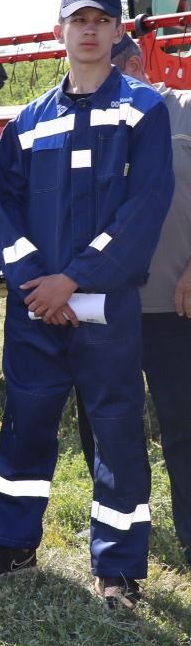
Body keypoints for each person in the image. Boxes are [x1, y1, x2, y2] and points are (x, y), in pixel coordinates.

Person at [0, 0, 172, 611]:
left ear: (118, 32)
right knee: (24, 423)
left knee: (115, 432)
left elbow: (145, 208)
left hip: (105, 308)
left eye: (101, 20)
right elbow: (3, 207)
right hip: (37, 306)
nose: (88, 30)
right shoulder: (30, 122)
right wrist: (38, 282)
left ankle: (116, 569)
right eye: (77, 19)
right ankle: (11, 543)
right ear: (59, 30)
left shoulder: (143, 109)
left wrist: (75, 278)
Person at [101, 35, 191, 567]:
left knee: (184, 426)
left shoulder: (184, 110)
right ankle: (121, 538)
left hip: (173, 307)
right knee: (109, 429)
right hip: (105, 309)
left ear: (135, 64)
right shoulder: (89, 120)